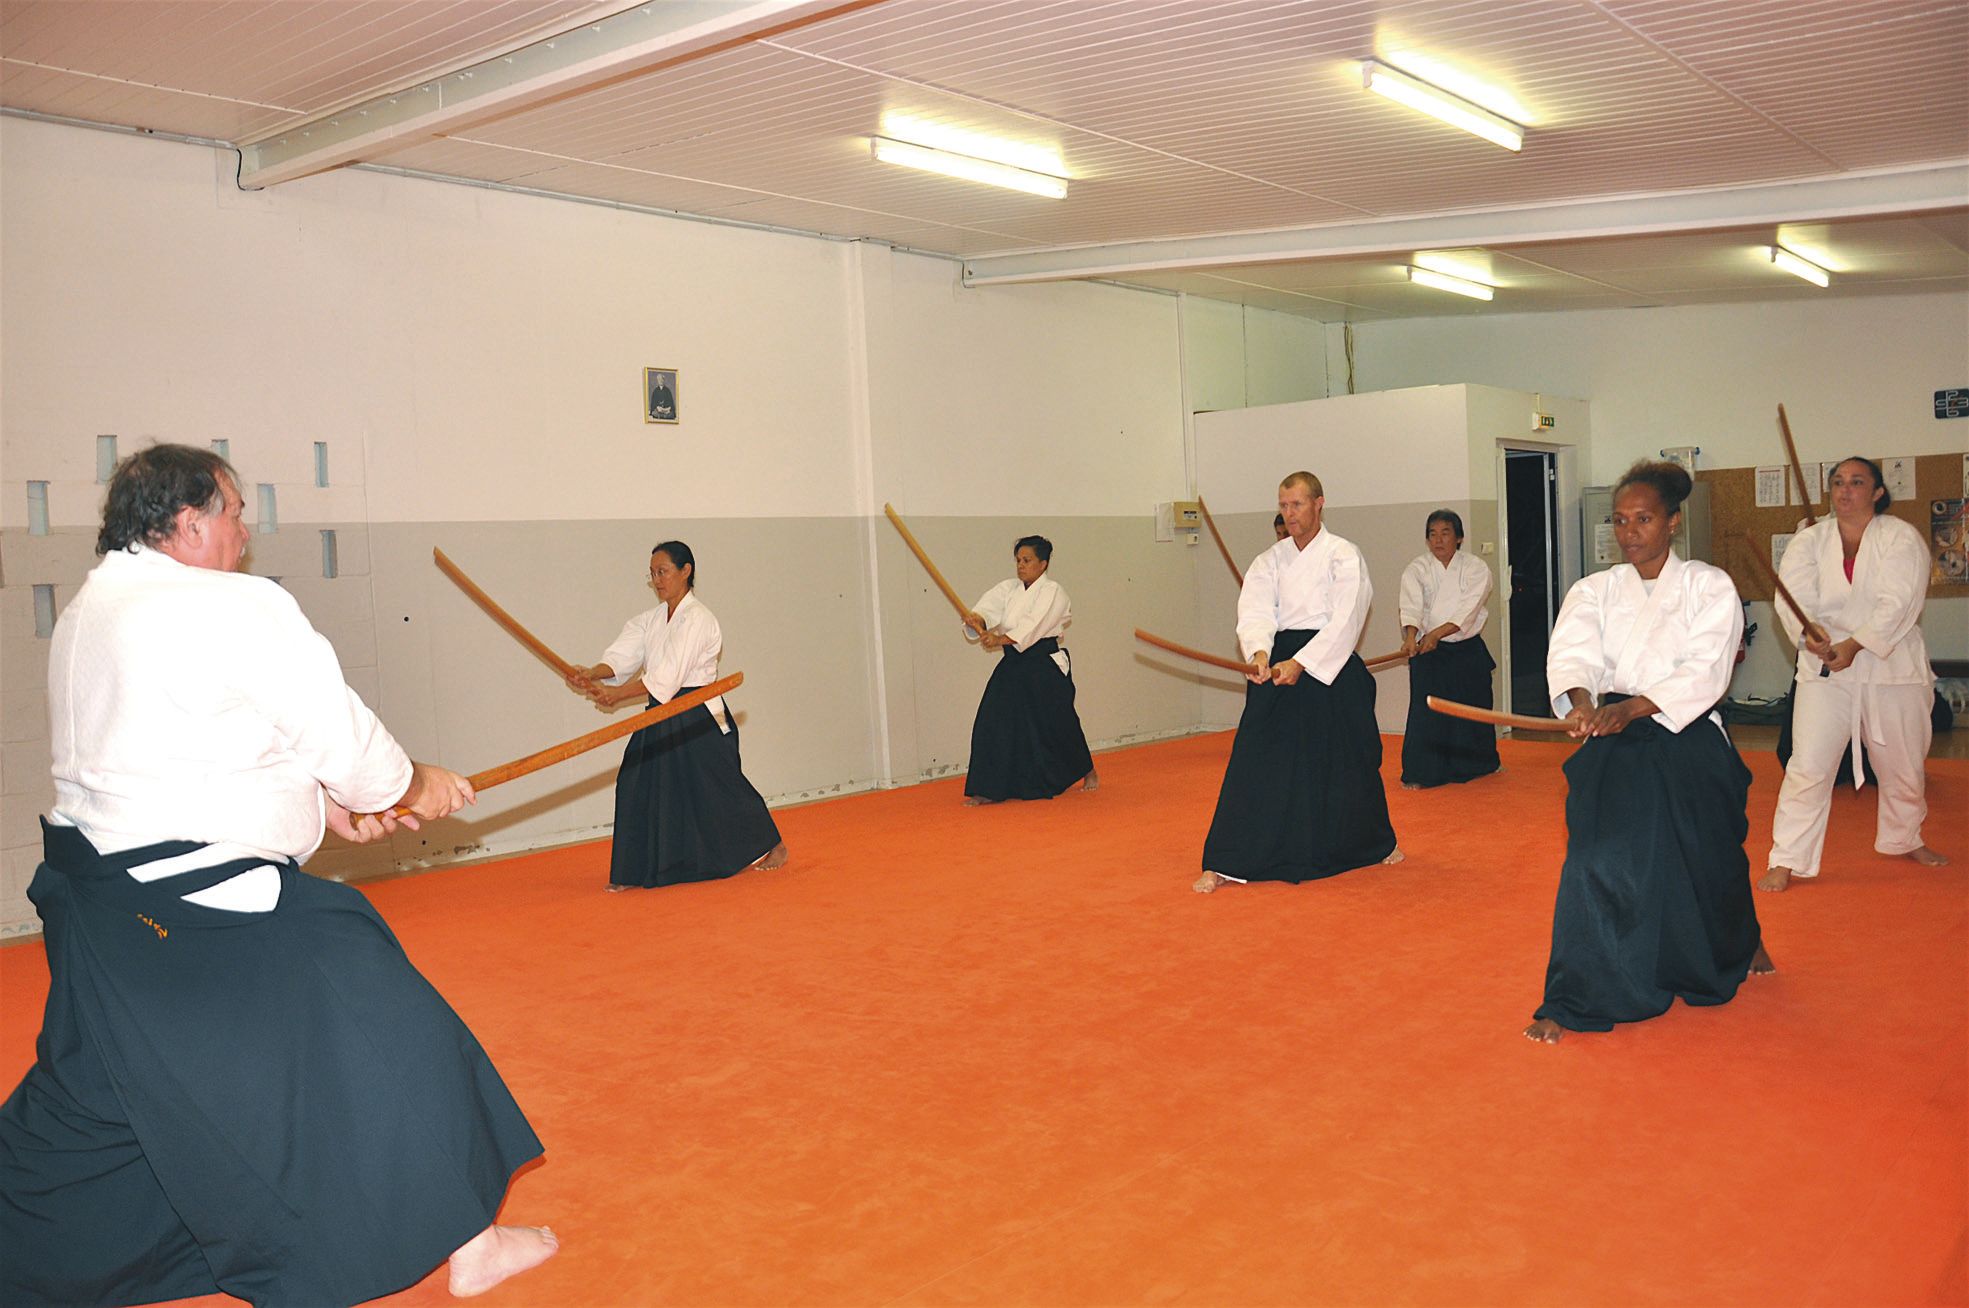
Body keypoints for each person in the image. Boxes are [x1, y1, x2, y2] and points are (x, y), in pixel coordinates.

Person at [0, 444, 556, 1306]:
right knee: (382, 1012)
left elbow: (188, 746)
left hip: (102, 910)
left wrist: (323, 808)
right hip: (202, 910)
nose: (245, 530)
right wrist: (412, 784)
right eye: (234, 511)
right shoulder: (232, 604)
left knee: (102, 1098)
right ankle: (471, 1239)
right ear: (189, 522)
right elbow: (351, 747)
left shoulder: (92, 609)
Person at [1526, 460, 1774, 1044]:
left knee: (1710, 857)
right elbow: (1573, 655)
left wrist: (1634, 708)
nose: (1629, 531)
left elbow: (1707, 669)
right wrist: (1583, 704)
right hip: (1615, 741)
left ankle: (1740, 941)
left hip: (1685, 732)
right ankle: (1575, 994)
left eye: (1643, 519)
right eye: (1620, 520)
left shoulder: (1708, 585)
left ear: (1672, 522)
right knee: (1594, 860)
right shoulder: (1594, 590)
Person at [1196, 472, 1401, 892]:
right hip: (1279, 659)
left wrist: (1303, 662)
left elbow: (1348, 617)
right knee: (1254, 758)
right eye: (1284, 505)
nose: (1289, 514)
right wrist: (1259, 652)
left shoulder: (1343, 555)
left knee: (1347, 759)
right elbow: (1255, 611)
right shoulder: (1269, 560)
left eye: (1297, 504)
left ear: (1319, 504)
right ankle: (1227, 860)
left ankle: (1372, 844)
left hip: (1328, 663)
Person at [1759, 456, 1947, 892]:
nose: (1845, 490)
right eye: (1839, 482)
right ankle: (1788, 857)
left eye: (1857, 482)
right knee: (1807, 766)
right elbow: (1791, 597)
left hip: (1890, 665)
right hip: (1825, 668)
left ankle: (1905, 837)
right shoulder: (1809, 540)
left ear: (1878, 492)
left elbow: (1900, 601)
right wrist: (1811, 633)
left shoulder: (1900, 537)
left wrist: (1855, 645)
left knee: (1903, 765)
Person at [569, 541, 787, 889]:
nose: (657, 580)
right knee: (635, 781)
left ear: (686, 571)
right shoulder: (651, 620)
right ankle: (633, 870)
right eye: (652, 574)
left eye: (663, 572)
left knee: (719, 786)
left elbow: (667, 676)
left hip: (696, 712)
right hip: (660, 711)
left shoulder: (698, 618)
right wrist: (592, 673)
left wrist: (617, 695)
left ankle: (772, 843)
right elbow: (623, 657)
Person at [961, 536, 1097, 804]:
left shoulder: (1053, 591)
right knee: (992, 719)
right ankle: (988, 787)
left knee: (1059, 722)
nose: (1021, 566)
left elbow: (1034, 625)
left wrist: (1000, 639)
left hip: (1043, 663)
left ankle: (1087, 769)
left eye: (1027, 560)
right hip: (1013, 663)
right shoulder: (1009, 588)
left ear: (1043, 564)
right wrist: (978, 619)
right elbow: (988, 609)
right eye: (1018, 560)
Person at [1397, 509, 1501, 788]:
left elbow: (1468, 610)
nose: (1438, 540)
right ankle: (1423, 772)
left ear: (1459, 538)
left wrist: (1437, 634)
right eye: (1432, 534)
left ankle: (1477, 764)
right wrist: (1411, 636)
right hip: (1429, 652)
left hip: (1465, 649)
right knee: (1426, 712)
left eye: (1445, 533)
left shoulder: (1476, 568)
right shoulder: (1417, 569)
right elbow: (1411, 606)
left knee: (1472, 709)